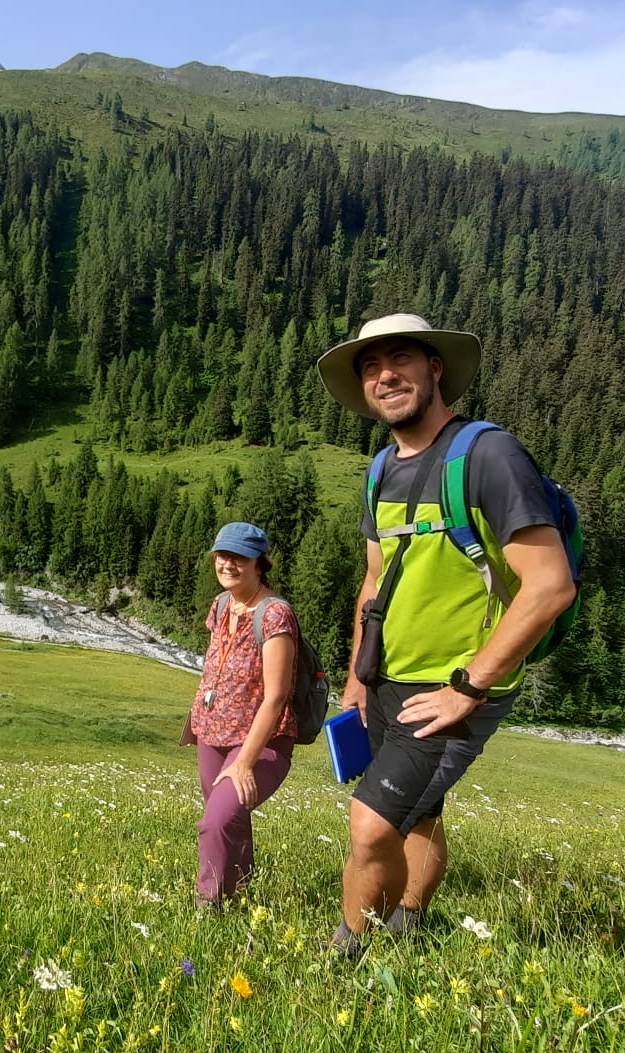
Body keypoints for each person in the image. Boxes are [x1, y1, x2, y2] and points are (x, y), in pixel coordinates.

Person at [315, 313, 576, 958]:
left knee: (369, 824)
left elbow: (550, 585)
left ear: (436, 368)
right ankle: (408, 923)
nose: (384, 376)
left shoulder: (488, 454)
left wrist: (467, 687)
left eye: (399, 359)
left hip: (450, 687)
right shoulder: (381, 469)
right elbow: (374, 581)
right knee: (416, 814)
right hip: (385, 679)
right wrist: (355, 680)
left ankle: (346, 955)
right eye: (370, 368)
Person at [185, 521, 300, 907]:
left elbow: (277, 696)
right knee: (229, 818)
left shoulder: (274, 614)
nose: (228, 563)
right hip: (212, 731)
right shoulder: (221, 604)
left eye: (239, 557)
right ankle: (240, 893)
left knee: (216, 819)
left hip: (260, 740)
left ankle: (207, 908)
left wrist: (245, 762)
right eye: (222, 555)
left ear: (258, 563)